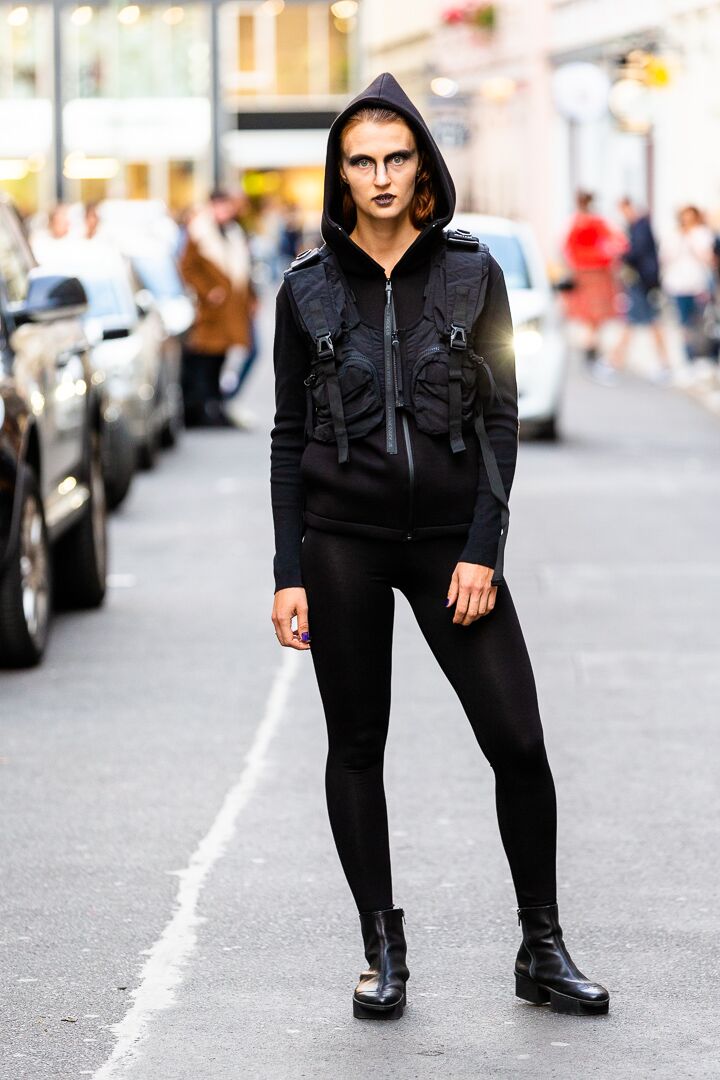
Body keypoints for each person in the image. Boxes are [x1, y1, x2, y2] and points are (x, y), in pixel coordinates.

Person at [270, 73, 609, 1022]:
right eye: (362, 161)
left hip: (451, 546)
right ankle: (382, 949)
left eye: (396, 157)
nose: (380, 176)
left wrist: (483, 550)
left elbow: (500, 420)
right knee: (356, 747)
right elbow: (289, 438)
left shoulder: (473, 273)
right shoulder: (304, 290)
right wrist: (289, 572)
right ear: (341, 175)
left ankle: (541, 947)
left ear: (422, 167)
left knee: (519, 741)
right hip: (343, 543)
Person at [179, 189, 254, 427]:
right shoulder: (199, 232)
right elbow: (187, 268)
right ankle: (204, 409)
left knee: (221, 360)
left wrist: (250, 298)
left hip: (231, 308)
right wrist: (207, 291)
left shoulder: (233, 232)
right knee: (206, 361)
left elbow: (243, 271)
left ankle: (216, 406)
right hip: (210, 312)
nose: (225, 210)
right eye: (220, 205)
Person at [561, 190, 626, 374]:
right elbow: (618, 242)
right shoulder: (597, 221)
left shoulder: (575, 222)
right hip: (598, 273)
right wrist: (604, 255)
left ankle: (590, 349)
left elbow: (567, 248)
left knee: (588, 315)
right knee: (595, 315)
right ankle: (592, 349)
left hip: (582, 272)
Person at [610, 197, 671, 383]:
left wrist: (621, 253)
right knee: (645, 322)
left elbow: (637, 253)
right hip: (643, 281)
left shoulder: (640, 226)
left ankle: (615, 362)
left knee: (641, 322)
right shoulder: (637, 226)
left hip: (642, 281)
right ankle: (616, 361)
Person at [660, 205, 715, 367]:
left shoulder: (702, 234)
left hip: (698, 284)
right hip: (678, 285)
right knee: (683, 322)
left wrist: (691, 243)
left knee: (700, 321)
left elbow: (708, 258)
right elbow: (665, 257)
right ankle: (688, 356)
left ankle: (702, 355)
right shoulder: (673, 235)